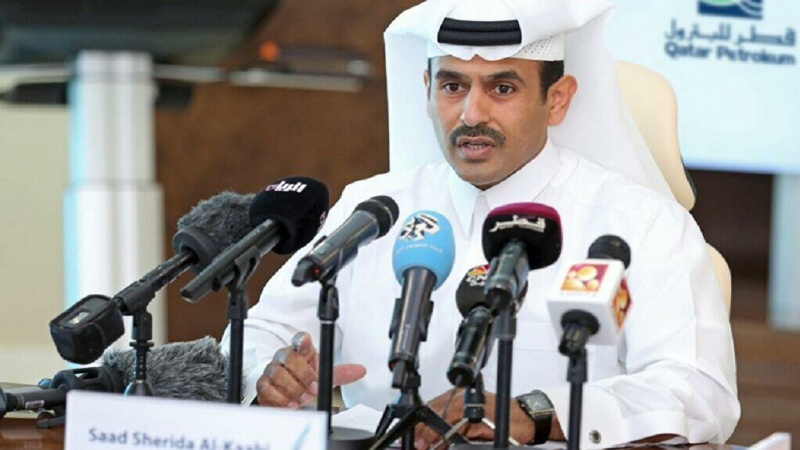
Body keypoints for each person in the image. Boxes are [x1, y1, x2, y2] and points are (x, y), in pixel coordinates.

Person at [222, 0, 740, 448]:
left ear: (557, 99)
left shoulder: (639, 224)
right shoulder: (374, 209)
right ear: (426, 89)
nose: (472, 114)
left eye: (502, 88)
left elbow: (699, 390)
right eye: (453, 86)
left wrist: (533, 413)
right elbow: (260, 333)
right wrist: (270, 375)